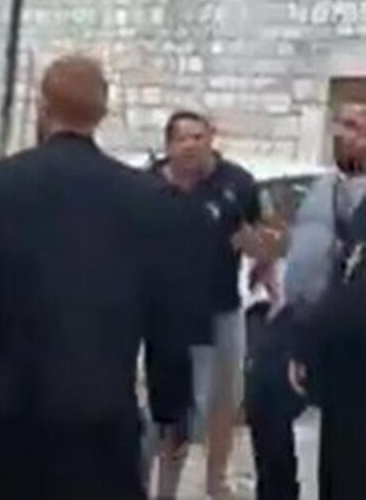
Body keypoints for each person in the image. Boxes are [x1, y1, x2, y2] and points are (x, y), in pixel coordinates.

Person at [0, 54, 195, 500]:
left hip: (10, 407)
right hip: (101, 407)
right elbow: (170, 307)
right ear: (102, 113)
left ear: (42, 107)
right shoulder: (148, 197)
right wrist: (170, 402)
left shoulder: (3, 181)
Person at [148, 111, 278, 500]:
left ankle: (216, 480)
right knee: (171, 410)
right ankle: (160, 487)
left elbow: (266, 238)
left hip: (221, 307)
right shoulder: (149, 185)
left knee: (224, 402)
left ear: (212, 139)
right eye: (183, 139)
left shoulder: (236, 183)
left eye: (198, 137)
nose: (191, 145)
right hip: (164, 315)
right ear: (169, 145)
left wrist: (263, 256)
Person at [246, 102, 366, 500]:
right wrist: (270, 257)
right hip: (300, 315)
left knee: (346, 442)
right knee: (264, 396)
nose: (346, 135)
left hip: (345, 327)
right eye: (343, 125)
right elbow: (302, 242)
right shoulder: (322, 187)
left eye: (358, 128)